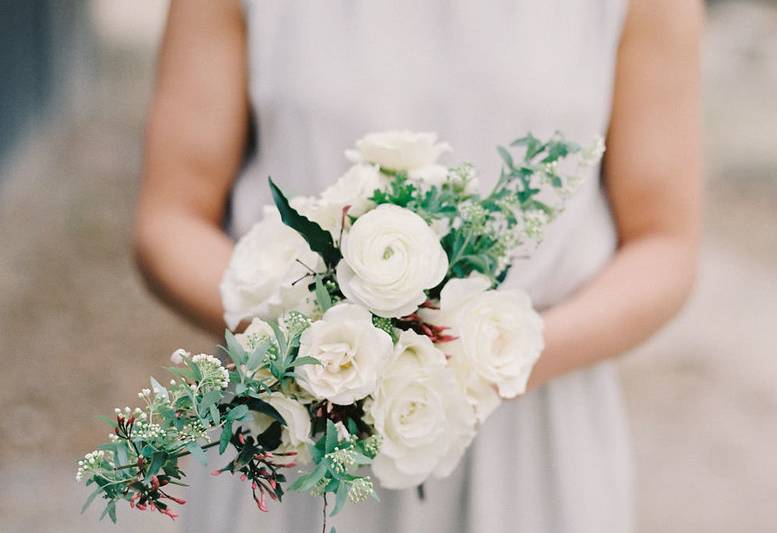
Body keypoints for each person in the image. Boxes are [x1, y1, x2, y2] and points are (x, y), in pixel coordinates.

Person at [134, 1, 702, 531]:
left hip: (534, 432)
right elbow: (170, 220)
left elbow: (663, 244)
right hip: (293, 429)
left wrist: (488, 362)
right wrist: (313, 352)